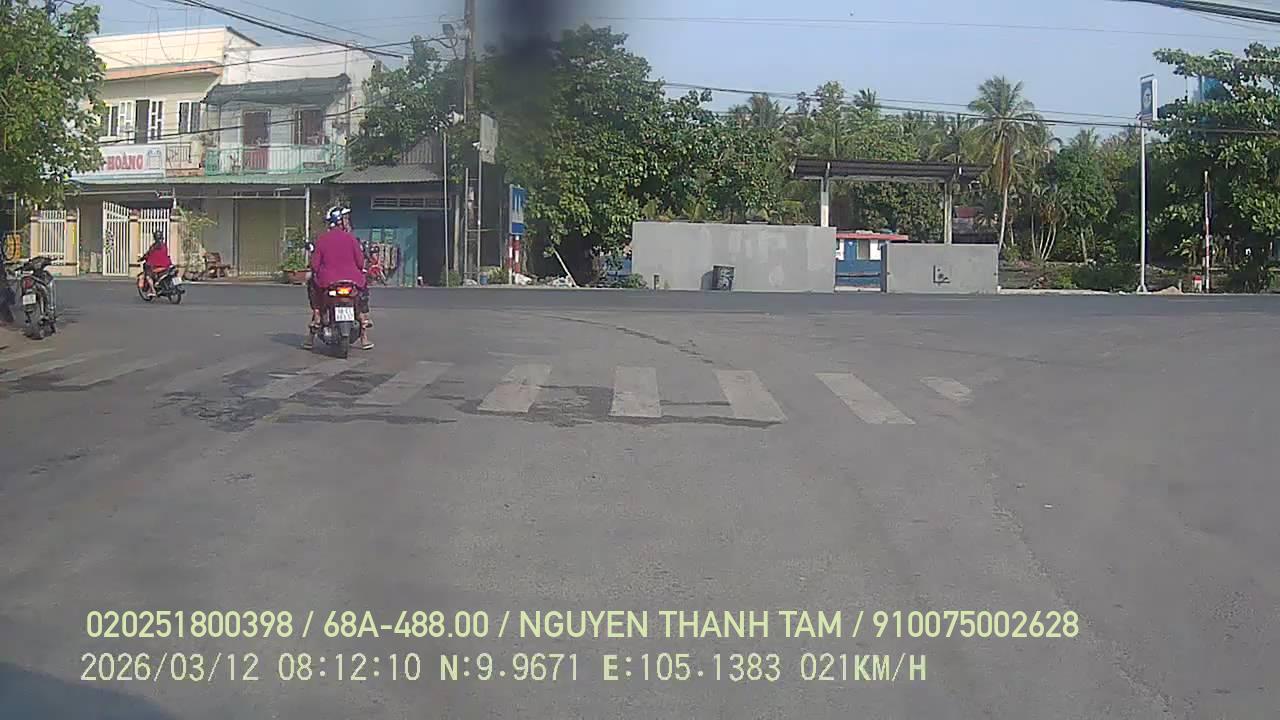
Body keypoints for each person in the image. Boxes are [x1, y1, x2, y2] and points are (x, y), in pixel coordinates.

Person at [304, 205, 373, 350]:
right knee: (362, 292)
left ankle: (316, 316)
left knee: (312, 286)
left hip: (327, 281)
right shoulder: (352, 239)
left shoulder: (322, 239)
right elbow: (360, 263)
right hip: (353, 281)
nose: (348, 222)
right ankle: (364, 324)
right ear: (340, 221)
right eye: (346, 219)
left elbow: (315, 265)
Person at [140, 230, 173, 297]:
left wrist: (142, 258)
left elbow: (148, 254)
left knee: (148, 276)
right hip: (167, 265)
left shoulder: (153, 247)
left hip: (157, 266)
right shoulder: (164, 246)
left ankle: (153, 290)